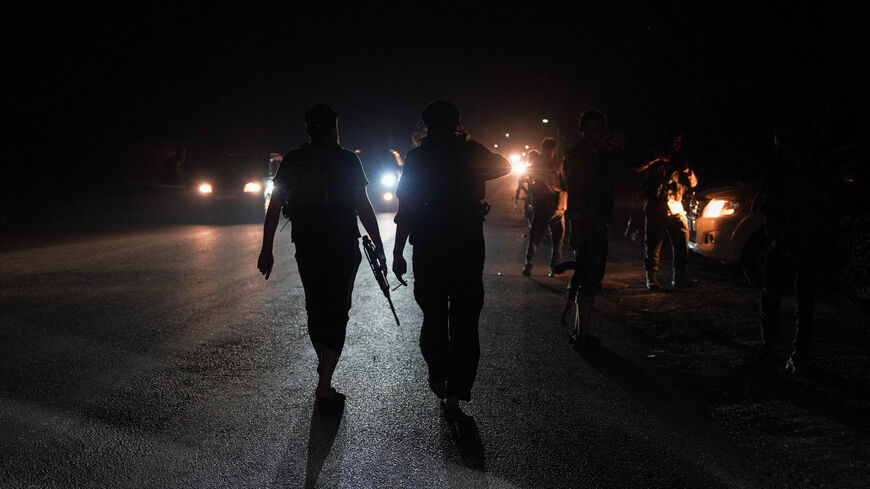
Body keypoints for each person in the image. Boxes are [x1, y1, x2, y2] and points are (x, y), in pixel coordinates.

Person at [258, 105, 385, 406]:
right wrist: (379, 245)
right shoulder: (346, 160)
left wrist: (266, 250)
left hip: (307, 243)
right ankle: (325, 382)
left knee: (315, 307)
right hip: (341, 243)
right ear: (334, 128)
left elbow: (274, 207)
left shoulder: (294, 160)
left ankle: (324, 370)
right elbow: (363, 206)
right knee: (338, 308)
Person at [392, 100, 511, 420]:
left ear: (426, 125)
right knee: (465, 317)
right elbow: (505, 165)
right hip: (467, 246)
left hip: (429, 247)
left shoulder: (418, 157)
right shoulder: (470, 151)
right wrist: (468, 156)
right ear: (458, 122)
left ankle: (440, 375)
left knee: (433, 315)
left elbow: (407, 207)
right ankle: (459, 386)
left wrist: (398, 252)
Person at [751, 119, 831, 374]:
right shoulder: (816, 173)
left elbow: (756, 206)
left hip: (783, 245)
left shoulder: (774, 173)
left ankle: (769, 351)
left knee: (771, 300)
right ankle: (799, 357)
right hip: (810, 245)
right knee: (804, 303)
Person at [563, 110, 617, 347]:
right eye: (589, 129)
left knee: (591, 277)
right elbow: (575, 194)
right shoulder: (577, 156)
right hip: (585, 223)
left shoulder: (604, 155)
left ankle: (581, 330)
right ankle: (581, 333)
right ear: (582, 130)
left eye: (598, 129)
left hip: (598, 222)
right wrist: (575, 228)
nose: (594, 133)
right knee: (588, 276)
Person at [635, 131, 699, 290]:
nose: (676, 146)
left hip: (676, 205)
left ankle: (680, 277)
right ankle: (651, 279)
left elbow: (693, 183)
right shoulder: (655, 158)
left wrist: (687, 171)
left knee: (682, 242)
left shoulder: (681, 160)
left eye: (678, 143)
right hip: (657, 205)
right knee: (653, 244)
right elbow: (637, 168)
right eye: (674, 142)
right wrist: (656, 158)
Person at [522, 138, 567, 277]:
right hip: (557, 204)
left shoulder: (535, 163)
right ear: (554, 150)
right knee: (558, 237)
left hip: (541, 202)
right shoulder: (559, 164)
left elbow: (529, 184)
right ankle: (554, 267)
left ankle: (529, 264)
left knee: (535, 236)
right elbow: (565, 183)